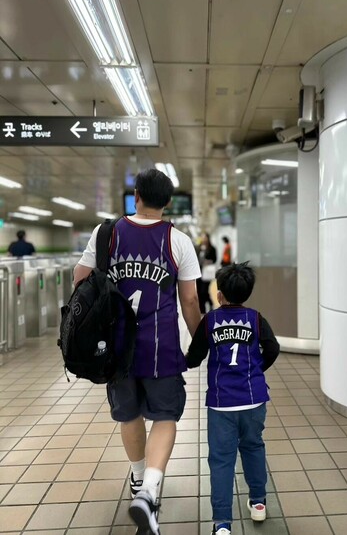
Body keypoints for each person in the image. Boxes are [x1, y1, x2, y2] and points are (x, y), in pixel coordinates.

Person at [73, 168, 202, 535]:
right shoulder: (178, 241)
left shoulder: (106, 233)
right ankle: (149, 492)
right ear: (169, 202)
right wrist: (199, 340)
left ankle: (137, 477)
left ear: (137, 196)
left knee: (128, 414)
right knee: (165, 415)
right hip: (161, 348)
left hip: (115, 348)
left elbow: (79, 279)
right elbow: (190, 300)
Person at [185, 262, 280, 535]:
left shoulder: (210, 321)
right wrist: (256, 369)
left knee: (222, 459)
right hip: (254, 401)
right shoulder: (256, 318)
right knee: (253, 447)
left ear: (219, 294)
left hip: (221, 403)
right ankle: (259, 502)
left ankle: (223, 523)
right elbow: (272, 347)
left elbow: (194, 358)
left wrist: (181, 361)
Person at [197, 232, 217, 313]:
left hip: (207, 273)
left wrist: (208, 261)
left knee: (204, 291)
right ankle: (202, 310)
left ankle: (210, 304)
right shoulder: (198, 248)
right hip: (198, 272)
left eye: (205, 237)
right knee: (199, 291)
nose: (204, 239)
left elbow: (214, 259)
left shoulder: (212, 249)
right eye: (202, 237)